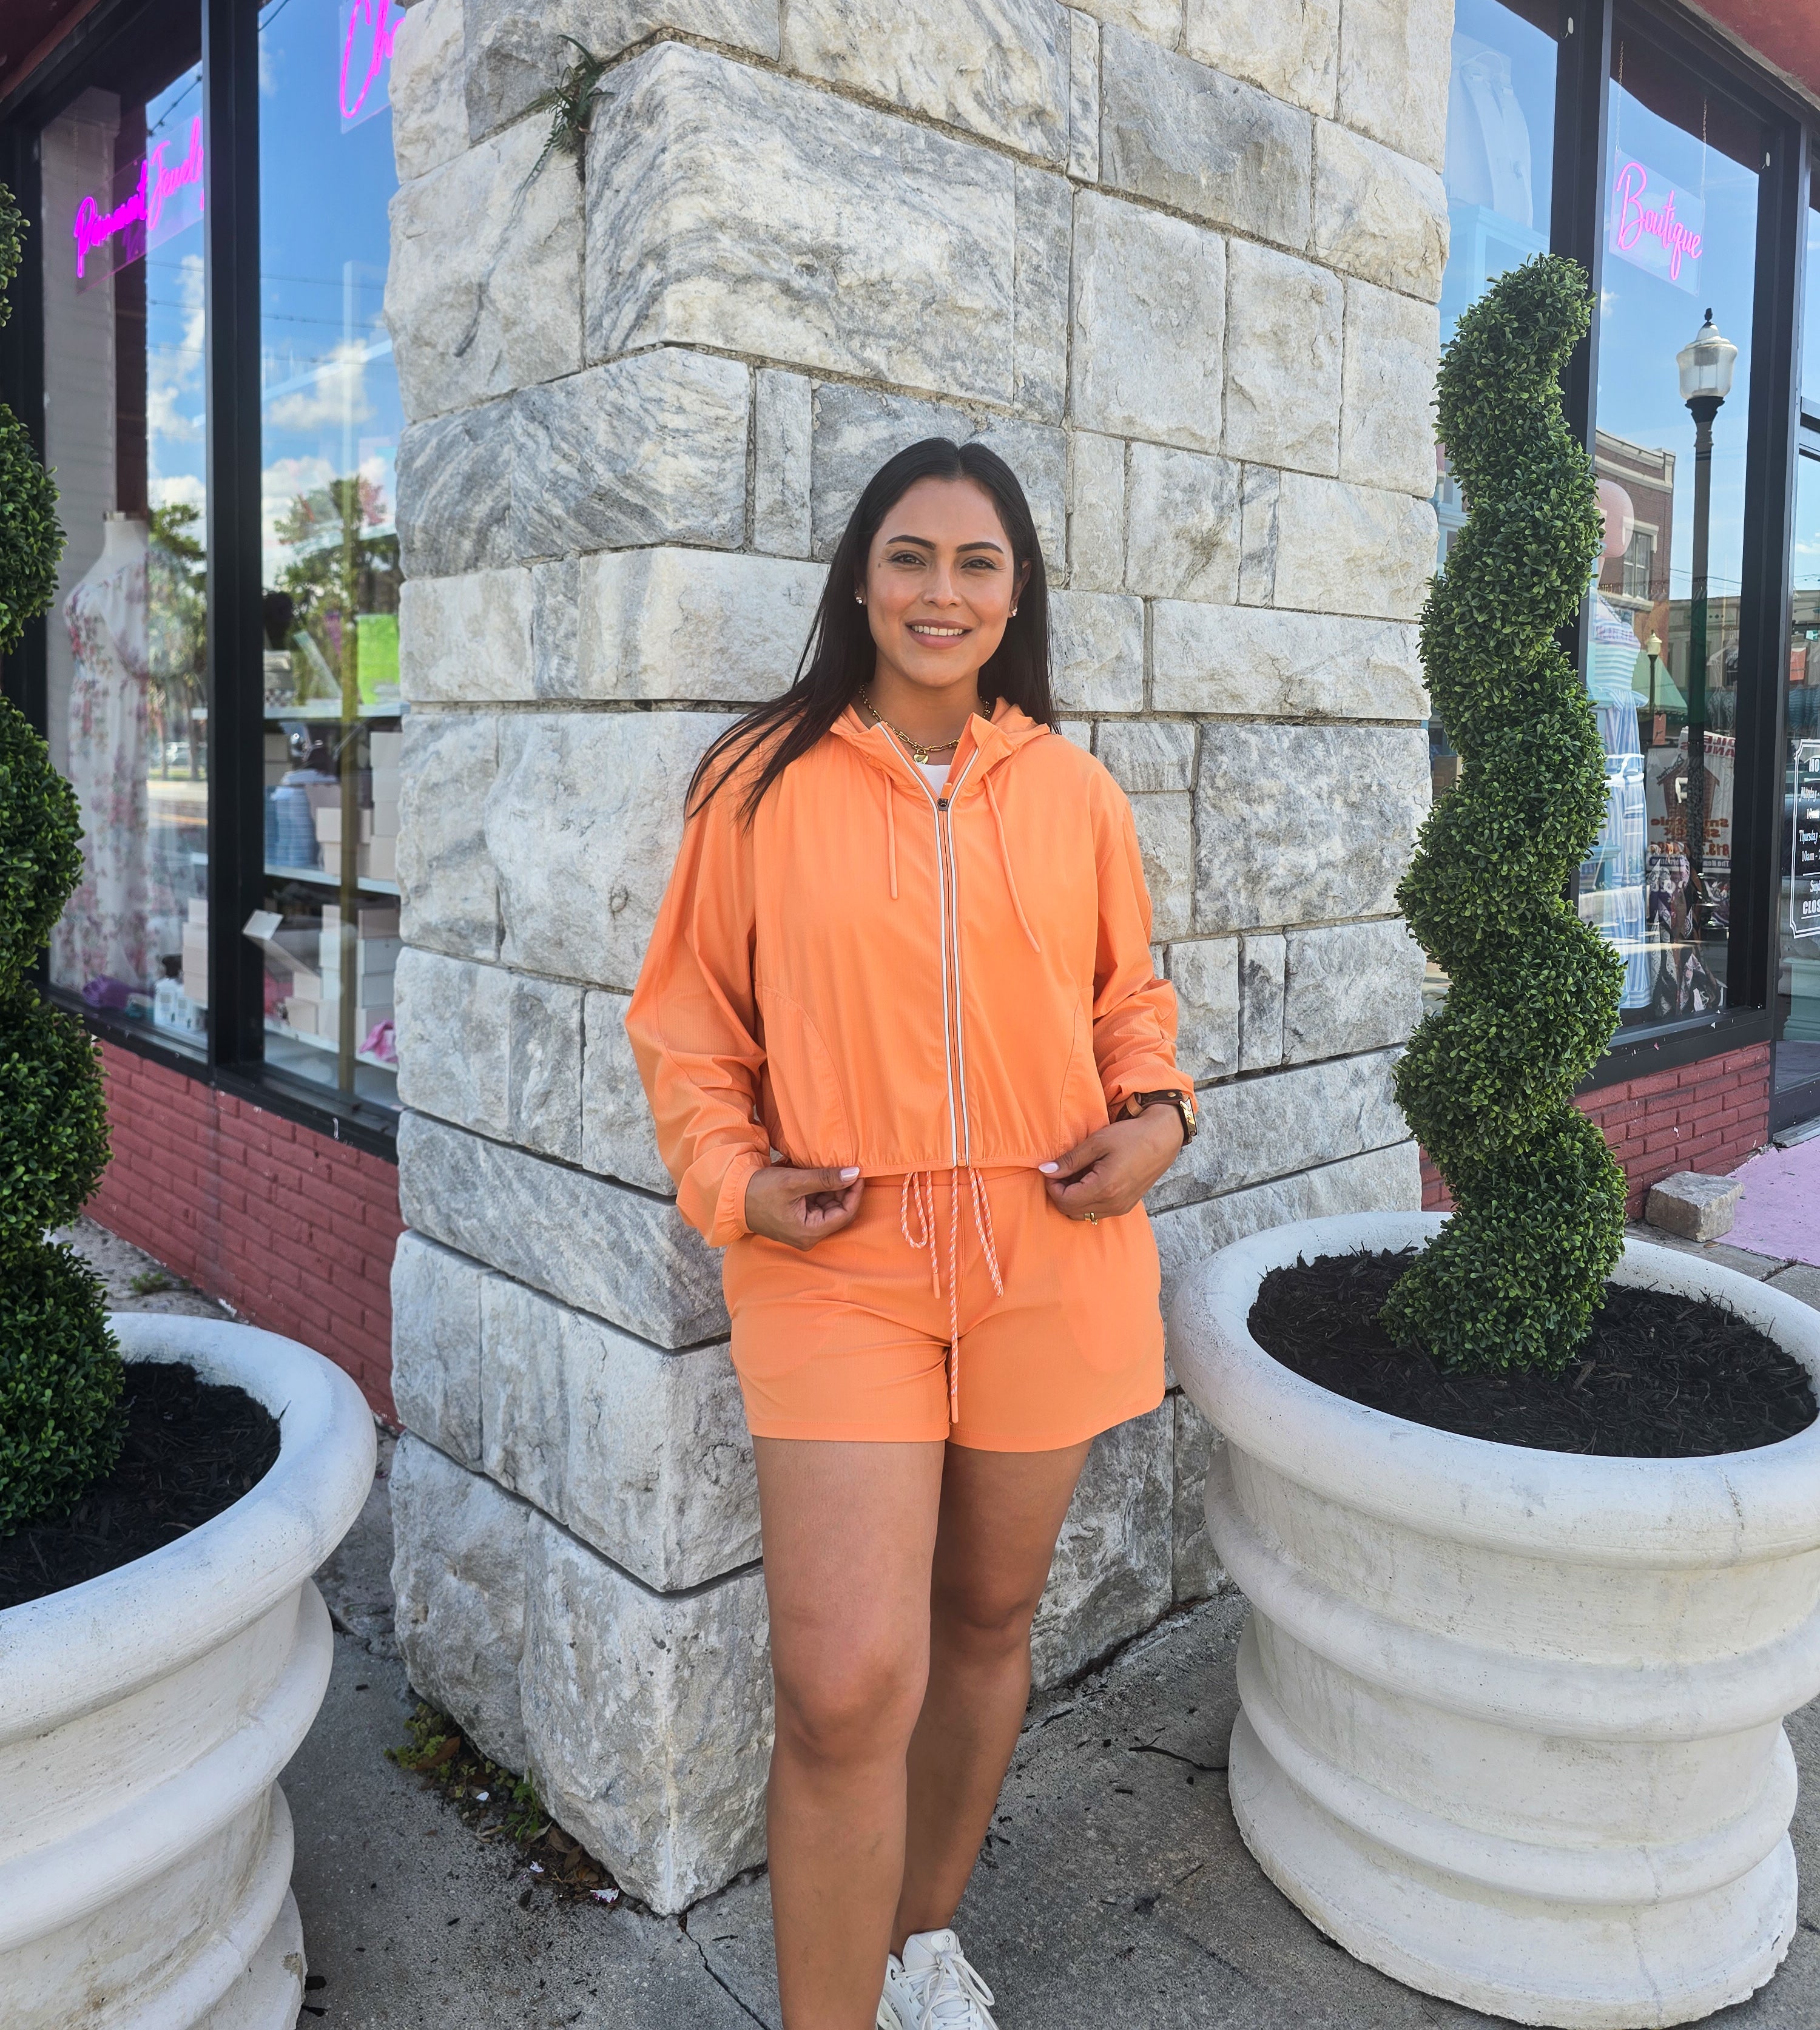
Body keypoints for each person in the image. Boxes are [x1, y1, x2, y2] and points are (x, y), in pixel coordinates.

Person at [628, 439, 1196, 2030]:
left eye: (976, 562)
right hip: (840, 1264)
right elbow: (689, 1030)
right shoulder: (758, 783)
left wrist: (1161, 1116)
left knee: (990, 1621)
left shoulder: (1077, 795)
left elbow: (1130, 1007)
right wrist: (736, 1183)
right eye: (910, 555)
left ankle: (918, 1946)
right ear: (861, 582)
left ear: (1016, 597)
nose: (942, 592)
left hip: (1048, 1251)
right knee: (841, 1686)